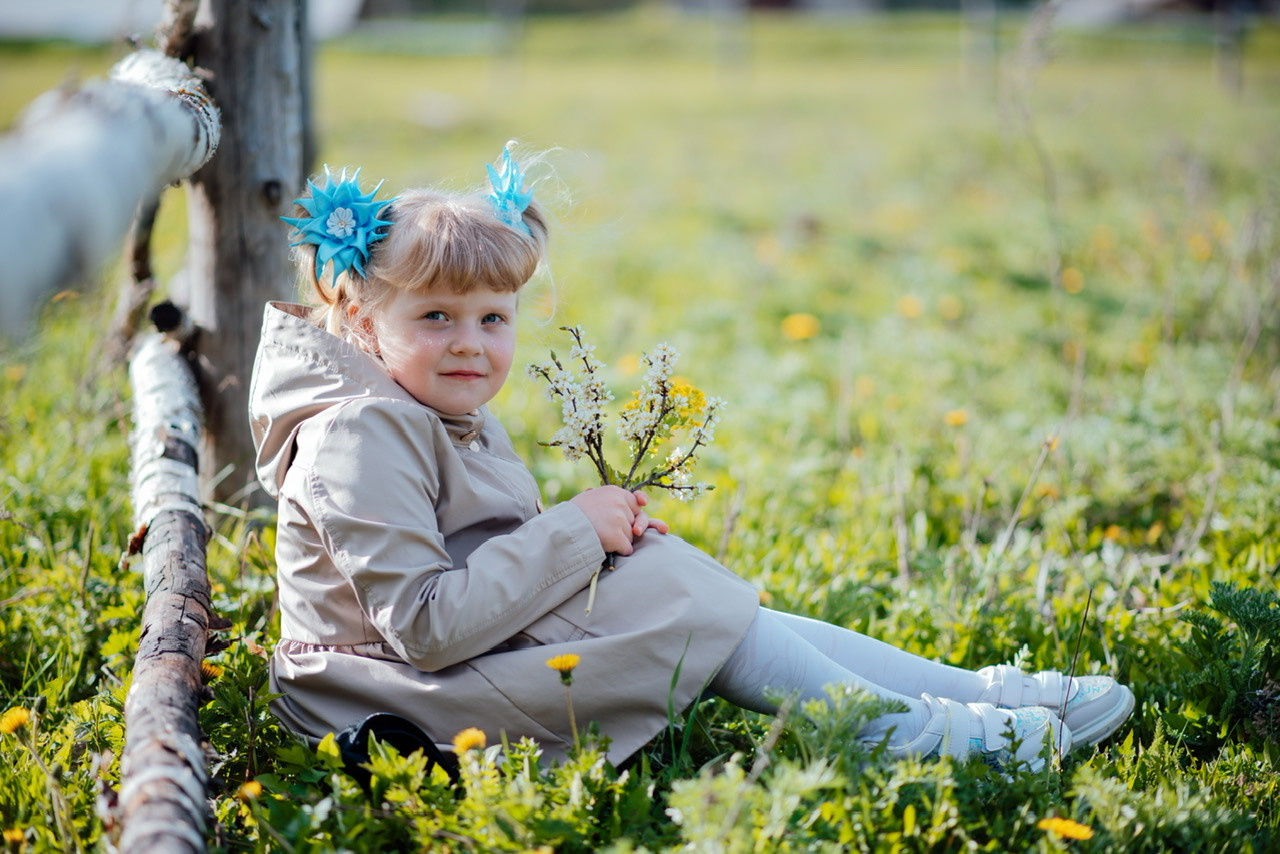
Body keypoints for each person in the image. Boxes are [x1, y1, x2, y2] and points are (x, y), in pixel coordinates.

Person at [248, 146, 1134, 772]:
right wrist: (572, 536)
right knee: (672, 595)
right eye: (435, 317)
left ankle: (969, 697)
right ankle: (926, 733)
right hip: (393, 699)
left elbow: (479, 556)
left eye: (493, 318)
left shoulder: (422, 406)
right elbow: (425, 625)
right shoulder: (360, 433)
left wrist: (594, 540)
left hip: (452, 657)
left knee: (682, 586)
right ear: (363, 322)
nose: (470, 343)